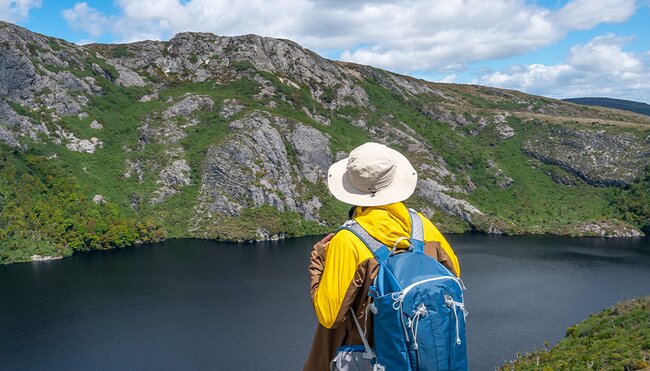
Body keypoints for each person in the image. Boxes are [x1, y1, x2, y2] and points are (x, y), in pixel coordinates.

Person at [304, 142, 461, 371]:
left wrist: (318, 262)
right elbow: (453, 275)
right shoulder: (423, 227)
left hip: (371, 358)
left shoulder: (348, 240)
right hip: (424, 353)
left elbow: (329, 316)